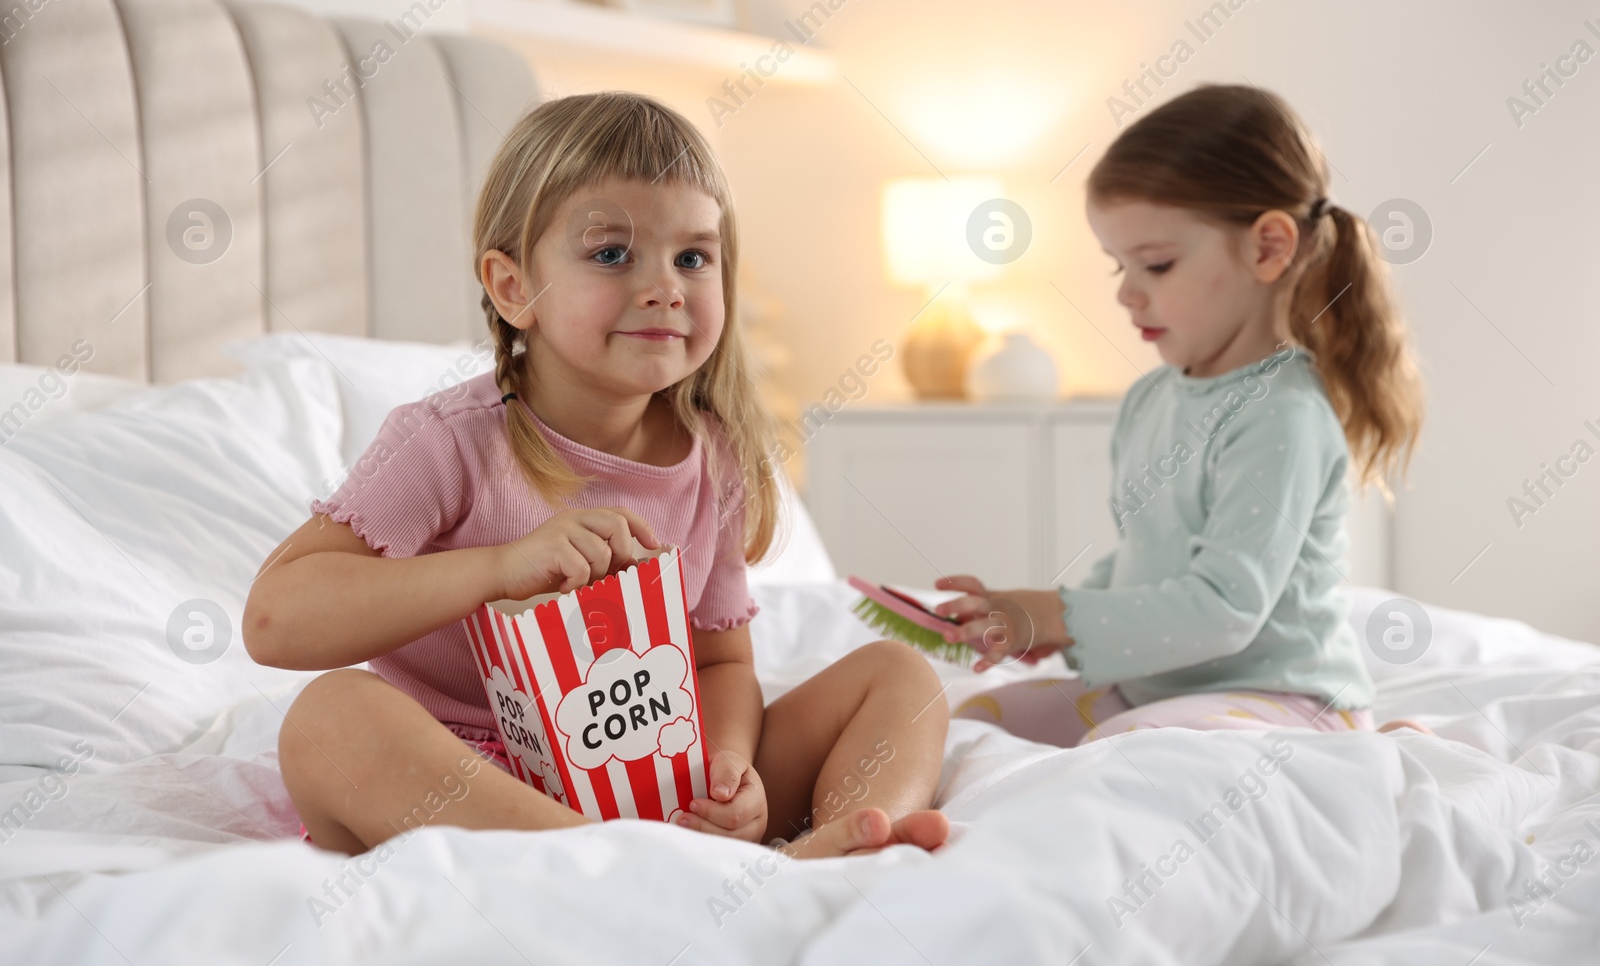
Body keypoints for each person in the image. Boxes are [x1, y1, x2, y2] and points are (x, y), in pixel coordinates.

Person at [245, 92, 950, 857]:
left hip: (659, 784)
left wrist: (727, 766)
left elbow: (717, 659)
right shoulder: (449, 441)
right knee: (328, 718)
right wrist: (498, 569)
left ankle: (847, 851)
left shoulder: (712, 453)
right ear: (514, 287)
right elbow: (275, 620)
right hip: (477, 780)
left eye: (692, 257)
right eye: (611, 253)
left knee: (900, 674)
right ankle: (611, 864)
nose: (665, 287)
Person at [942, 83, 1426, 744]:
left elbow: (1226, 608)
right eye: (1119, 264)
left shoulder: (1283, 416)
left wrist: (1061, 614)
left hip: (1280, 698)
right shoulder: (1152, 398)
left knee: (1126, 748)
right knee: (971, 722)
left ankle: (1371, 742)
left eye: (1156, 263)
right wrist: (1055, 630)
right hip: (1158, 690)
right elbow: (1143, 559)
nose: (1125, 291)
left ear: (1268, 248)